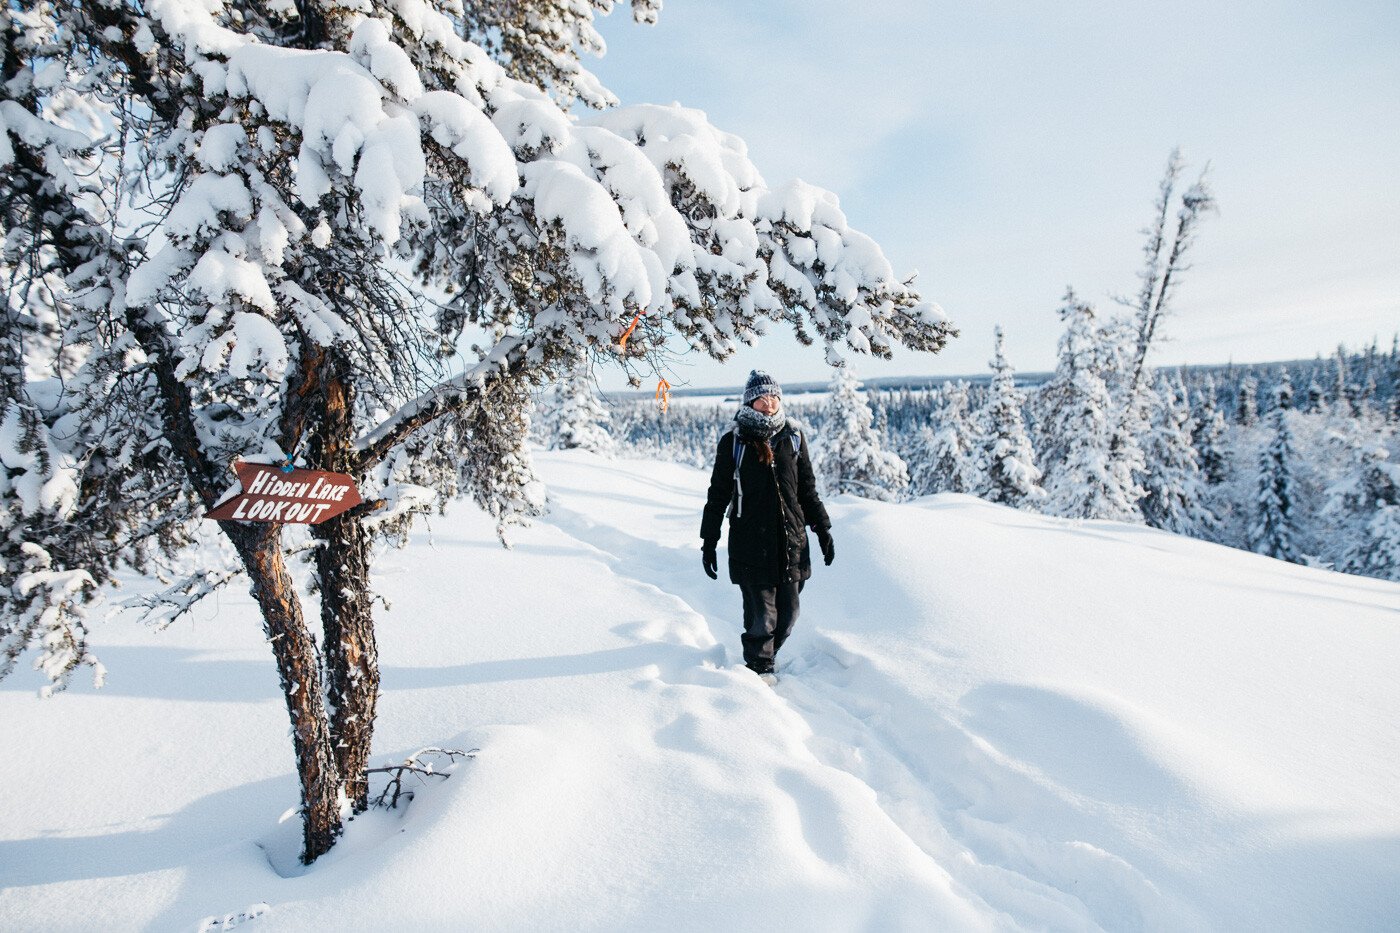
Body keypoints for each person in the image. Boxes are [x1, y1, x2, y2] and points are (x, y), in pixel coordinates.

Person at [700, 370, 834, 684]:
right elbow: (718, 494)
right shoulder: (734, 441)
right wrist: (709, 540)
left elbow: (807, 490)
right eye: (763, 398)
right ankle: (759, 673)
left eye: (774, 396)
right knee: (762, 618)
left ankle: (766, 657)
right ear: (751, 402)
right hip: (751, 544)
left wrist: (823, 529)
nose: (770, 403)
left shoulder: (793, 436)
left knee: (788, 617)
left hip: (791, 542)